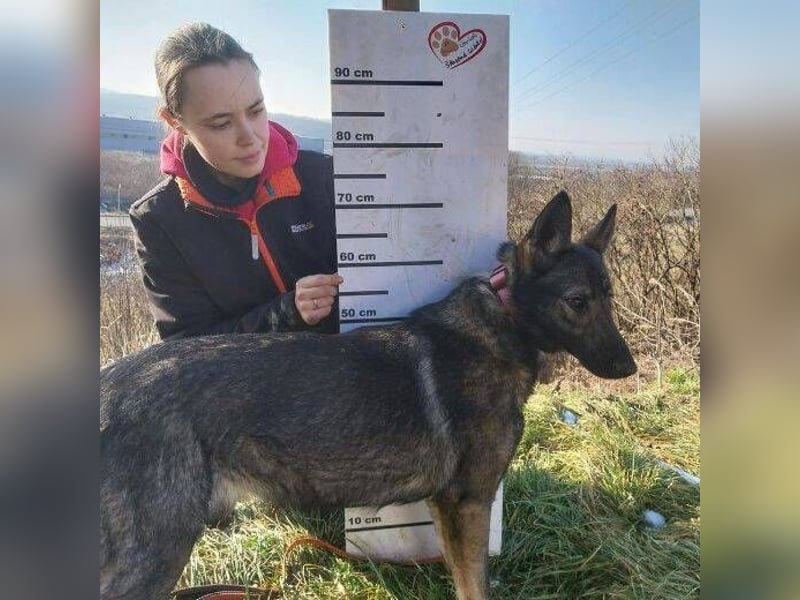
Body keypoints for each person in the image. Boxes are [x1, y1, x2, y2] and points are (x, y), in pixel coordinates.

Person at [130, 22, 342, 340]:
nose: (250, 138)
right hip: (247, 388)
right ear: (176, 122)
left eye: (256, 111)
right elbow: (189, 347)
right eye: (221, 123)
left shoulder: (325, 177)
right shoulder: (158, 219)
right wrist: (286, 314)